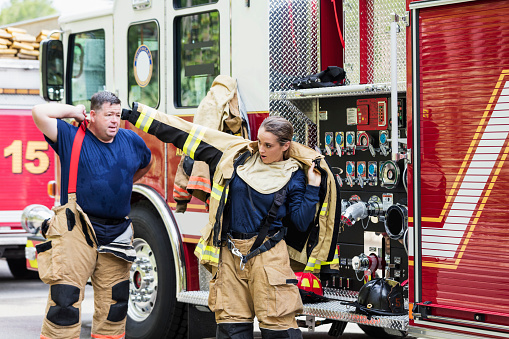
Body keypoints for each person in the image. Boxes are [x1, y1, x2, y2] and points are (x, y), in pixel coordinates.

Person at [121, 102, 340, 339]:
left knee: (279, 330)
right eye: (259, 142)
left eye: (268, 145)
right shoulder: (236, 154)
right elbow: (183, 133)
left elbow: (301, 222)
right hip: (230, 257)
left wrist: (313, 186)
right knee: (230, 329)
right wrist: (136, 115)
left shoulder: (295, 175)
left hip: (270, 259)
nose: (261, 149)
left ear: (285, 146)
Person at [32, 91, 152, 339]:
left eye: (118, 115)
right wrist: (73, 112)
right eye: (108, 115)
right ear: (93, 115)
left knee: (115, 305)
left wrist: (125, 184)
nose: (114, 121)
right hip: (76, 229)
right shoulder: (70, 136)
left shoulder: (131, 140)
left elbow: (145, 163)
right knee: (64, 302)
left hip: (117, 233)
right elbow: (39, 112)